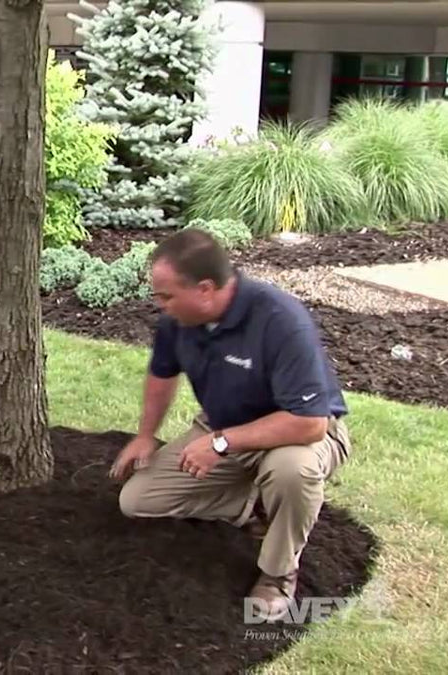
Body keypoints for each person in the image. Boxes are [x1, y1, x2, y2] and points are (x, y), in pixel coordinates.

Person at [110, 228, 351, 622]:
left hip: (296, 433)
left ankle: (277, 573)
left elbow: (310, 424)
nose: (160, 305)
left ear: (205, 289)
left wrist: (221, 444)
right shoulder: (178, 320)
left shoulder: (280, 320)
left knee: (292, 471)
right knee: (138, 500)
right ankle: (258, 506)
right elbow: (161, 374)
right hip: (224, 427)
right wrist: (144, 435)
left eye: (166, 295)